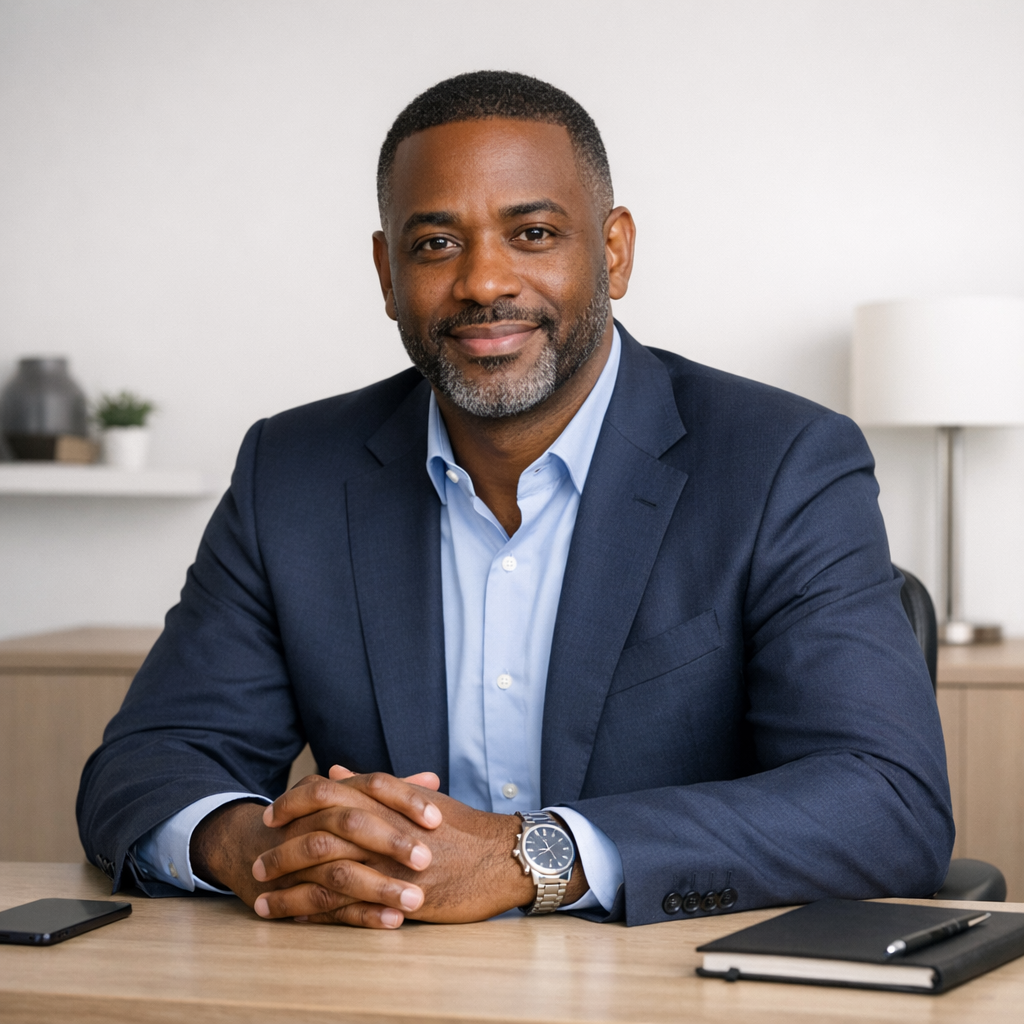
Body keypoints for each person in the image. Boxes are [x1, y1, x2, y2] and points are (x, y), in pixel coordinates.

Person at [78, 71, 954, 929]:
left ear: (612, 250)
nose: (483, 281)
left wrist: (524, 857)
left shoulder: (781, 462)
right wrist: (267, 851)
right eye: (434, 244)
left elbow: (885, 799)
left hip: (674, 987)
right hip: (387, 986)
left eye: (532, 233)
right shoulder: (294, 473)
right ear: (387, 274)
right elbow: (150, 761)